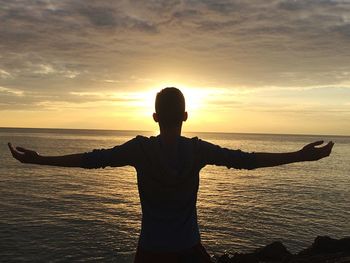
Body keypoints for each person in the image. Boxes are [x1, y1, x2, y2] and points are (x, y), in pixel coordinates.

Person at [8, 87, 334, 263]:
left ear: (154, 116)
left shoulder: (139, 150)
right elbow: (247, 161)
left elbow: (91, 160)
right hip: (190, 249)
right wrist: (300, 156)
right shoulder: (198, 150)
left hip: (151, 250)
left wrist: (40, 160)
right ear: (186, 116)